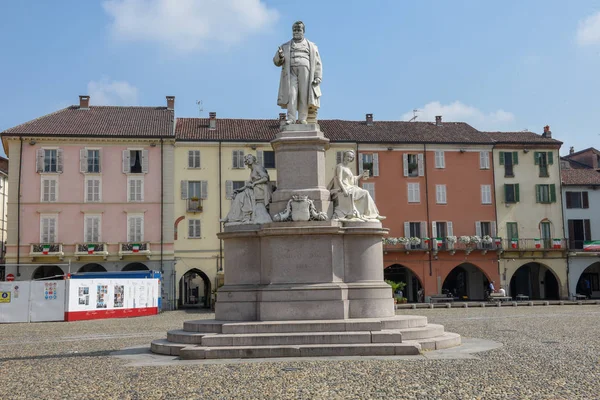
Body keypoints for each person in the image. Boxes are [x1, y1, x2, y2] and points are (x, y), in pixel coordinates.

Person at [274, 21, 322, 125]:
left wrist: (318, 77)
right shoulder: (285, 46)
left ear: (303, 31)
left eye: (299, 30)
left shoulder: (312, 46)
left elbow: (318, 63)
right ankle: (291, 118)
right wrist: (281, 56)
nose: (296, 32)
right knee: (292, 94)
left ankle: (302, 118)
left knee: (304, 95)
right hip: (291, 71)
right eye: (294, 30)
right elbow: (276, 61)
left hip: (306, 71)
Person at [328, 150, 385, 221]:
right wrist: (344, 190)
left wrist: (361, 175)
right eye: (348, 156)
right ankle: (367, 214)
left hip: (350, 186)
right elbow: (339, 179)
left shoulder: (348, 169)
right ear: (344, 157)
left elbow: (352, 179)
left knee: (365, 193)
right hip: (345, 187)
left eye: (351, 157)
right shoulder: (340, 166)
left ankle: (372, 215)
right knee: (364, 192)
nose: (349, 158)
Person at [221, 154, 272, 225]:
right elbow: (249, 184)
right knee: (238, 195)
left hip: (261, 189)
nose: (248, 160)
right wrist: (239, 190)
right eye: (247, 159)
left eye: (249, 158)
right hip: (255, 188)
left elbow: (265, 178)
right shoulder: (252, 170)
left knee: (241, 197)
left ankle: (240, 217)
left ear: (253, 159)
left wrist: (254, 184)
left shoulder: (258, 167)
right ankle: (230, 217)